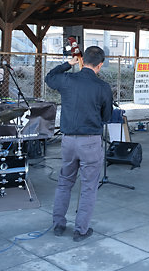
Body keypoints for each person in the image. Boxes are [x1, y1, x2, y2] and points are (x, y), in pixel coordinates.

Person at [45, 46, 113, 242]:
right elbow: (107, 116)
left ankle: (58, 225)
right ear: (100, 65)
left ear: (82, 61)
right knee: (89, 186)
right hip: (90, 141)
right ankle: (80, 230)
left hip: (67, 141)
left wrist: (68, 64)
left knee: (64, 182)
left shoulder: (67, 80)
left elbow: (49, 77)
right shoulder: (103, 87)